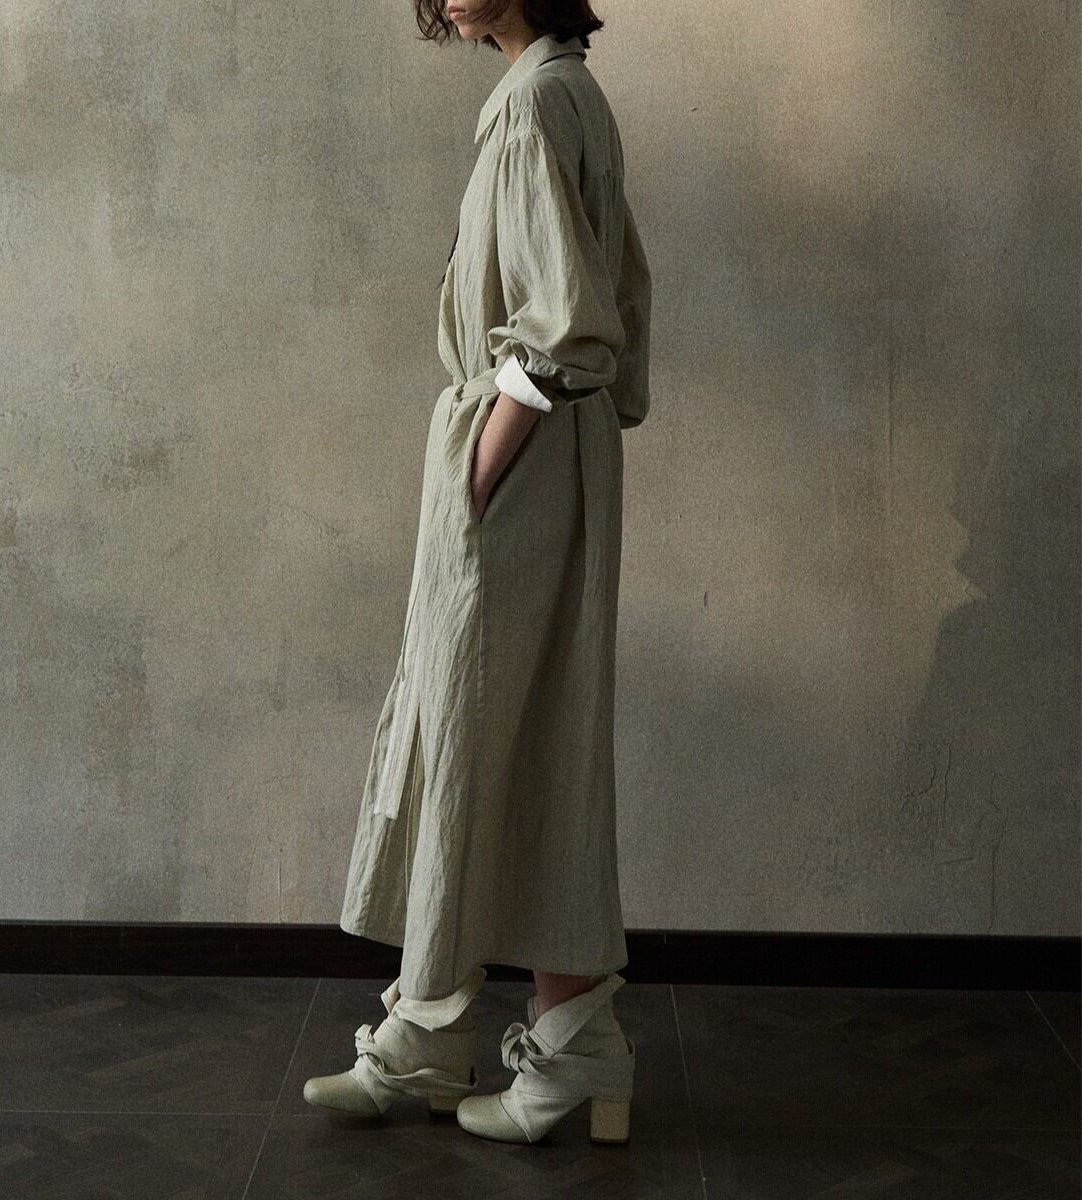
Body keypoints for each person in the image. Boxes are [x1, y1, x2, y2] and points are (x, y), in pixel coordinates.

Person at [305, 0, 652, 1145]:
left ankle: (462, 1037)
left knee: (483, 731)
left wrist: (477, 471)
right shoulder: (563, 93)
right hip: (556, 460)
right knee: (518, 740)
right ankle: (502, 1037)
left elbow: (566, 324)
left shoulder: (537, 105)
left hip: (523, 464)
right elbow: (616, 301)